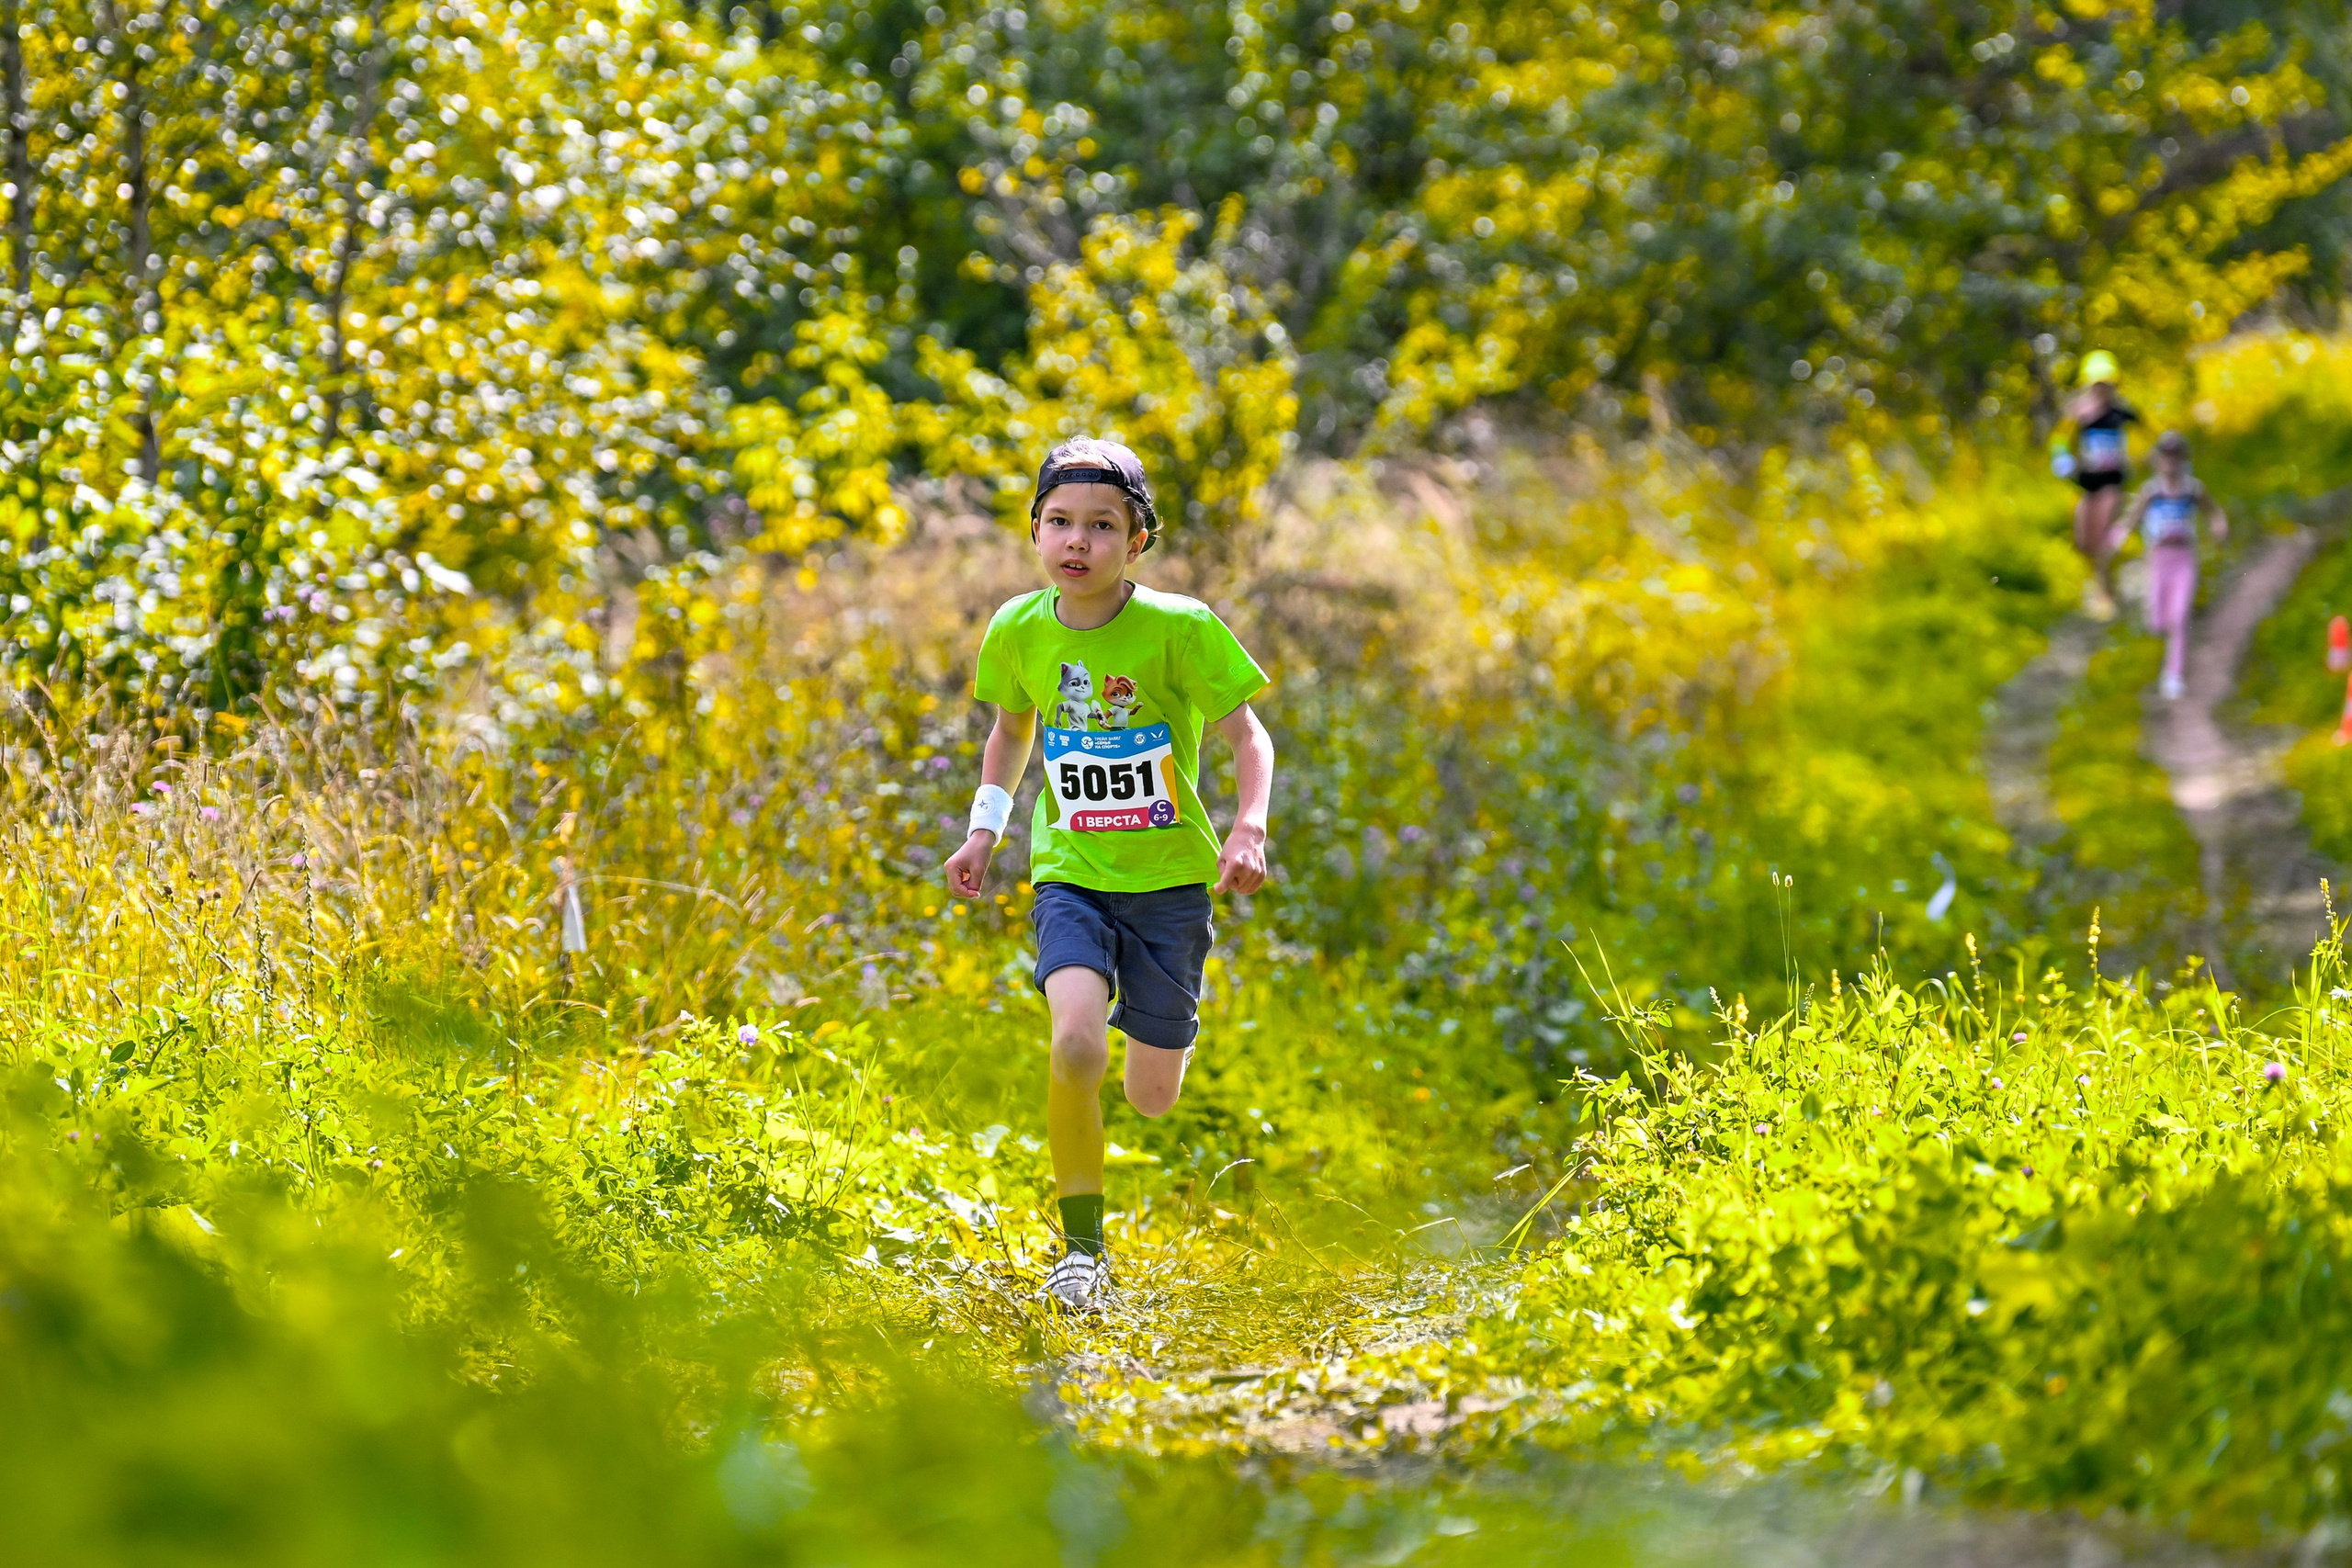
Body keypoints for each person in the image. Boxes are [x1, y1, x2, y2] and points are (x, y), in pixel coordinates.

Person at [943, 437, 1275, 1314]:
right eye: (1059, 521)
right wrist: (983, 833)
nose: (1077, 541)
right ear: (1036, 531)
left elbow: (1248, 736)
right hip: (1072, 875)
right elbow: (1011, 733)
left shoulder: (1181, 627)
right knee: (1077, 1045)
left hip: (1169, 882)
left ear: (1137, 541)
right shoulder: (1019, 628)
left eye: (1101, 525)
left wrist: (1248, 824)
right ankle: (1082, 1252)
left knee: (1151, 1095)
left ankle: (1166, 1027)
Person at [2115, 430, 2228, 702]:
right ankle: (2158, 644)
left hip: (2184, 557)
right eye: (2166, 456)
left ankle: (2173, 674)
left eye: (2176, 456)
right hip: (2158, 558)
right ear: (2157, 459)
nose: (2171, 462)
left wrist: (2219, 527)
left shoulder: (2192, 490)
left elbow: (2214, 512)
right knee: (2157, 619)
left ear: (2184, 458)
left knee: (2180, 615)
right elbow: (2131, 518)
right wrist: (2118, 536)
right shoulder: (2151, 492)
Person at [2052, 350, 2138, 617]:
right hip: (2086, 483)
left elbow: (2149, 438)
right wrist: (2062, 459)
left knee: (2101, 536)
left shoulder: (2122, 413)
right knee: (2084, 541)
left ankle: (2105, 595)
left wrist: (2136, 459)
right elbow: (2059, 441)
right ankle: (2104, 583)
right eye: (2097, 384)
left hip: (2112, 483)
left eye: (2106, 384)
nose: (2102, 389)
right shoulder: (2078, 413)